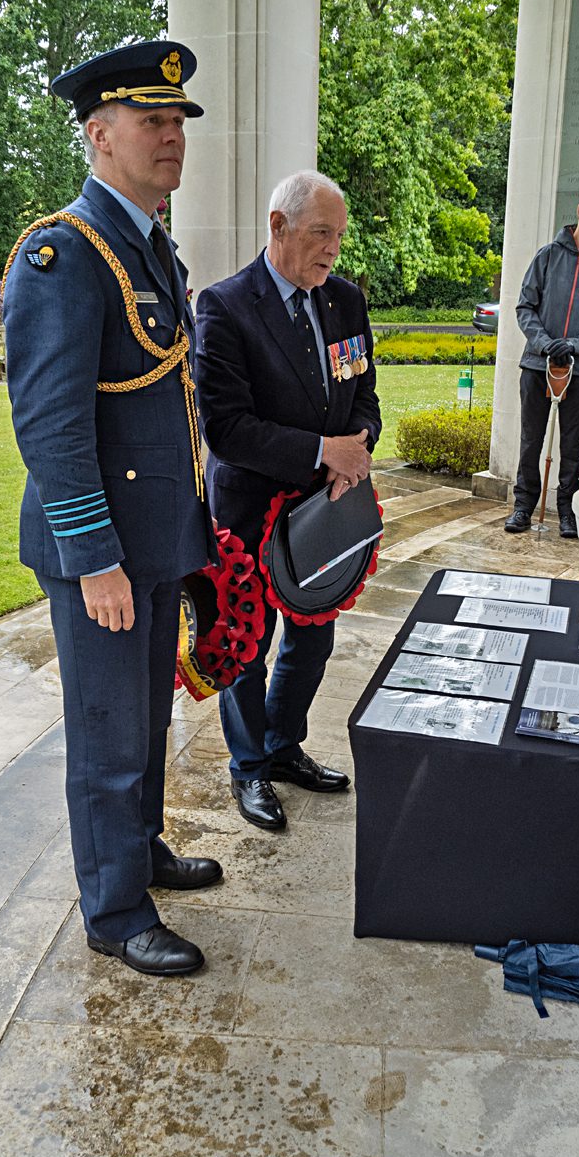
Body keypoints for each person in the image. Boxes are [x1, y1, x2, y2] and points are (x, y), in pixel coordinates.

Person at [3, 42, 223, 978]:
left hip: (153, 538)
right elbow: (51, 426)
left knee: (146, 719)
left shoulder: (147, 242)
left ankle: (140, 851)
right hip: (102, 550)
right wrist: (94, 558)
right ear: (99, 135)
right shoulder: (64, 253)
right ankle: (114, 909)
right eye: (151, 123)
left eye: (177, 123)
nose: (172, 138)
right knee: (106, 734)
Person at [194, 170, 381, 831]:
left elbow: (363, 394)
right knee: (247, 647)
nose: (332, 249)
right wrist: (322, 450)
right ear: (278, 227)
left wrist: (356, 448)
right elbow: (226, 427)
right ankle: (249, 768)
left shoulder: (345, 303)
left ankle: (282, 746)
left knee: (313, 640)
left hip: (322, 513)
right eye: (320, 234)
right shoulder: (223, 307)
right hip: (248, 512)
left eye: (339, 236)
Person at [505, 182, 579, 539]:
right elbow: (525, 306)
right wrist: (545, 344)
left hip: (578, 368)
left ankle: (566, 510)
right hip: (538, 365)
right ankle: (523, 506)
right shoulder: (548, 255)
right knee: (531, 440)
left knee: (572, 443)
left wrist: (574, 345)